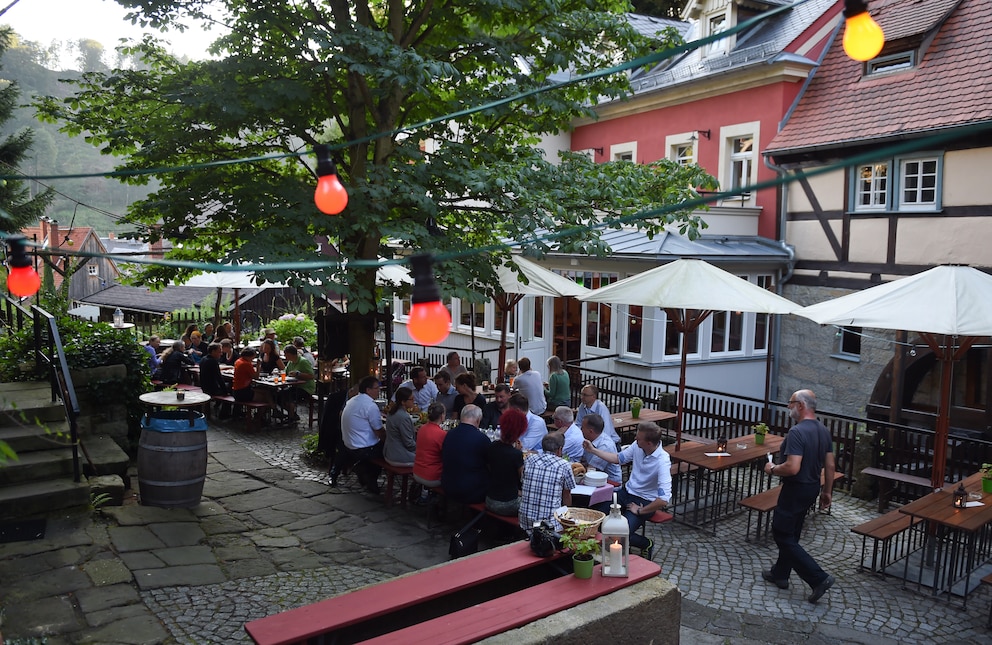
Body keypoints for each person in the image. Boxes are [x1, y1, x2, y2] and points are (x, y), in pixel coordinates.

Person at [762, 389, 836, 603]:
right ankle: (780, 574)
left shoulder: (797, 433)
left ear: (801, 405)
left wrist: (772, 469)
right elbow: (830, 465)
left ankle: (818, 578)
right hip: (812, 488)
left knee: (781, 534)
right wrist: (827, 491)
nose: (788, 407)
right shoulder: (823, 430)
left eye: (791, 403)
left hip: (795, 489)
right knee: (791, 533)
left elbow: (793, 467)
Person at [586, 422, 671, 560]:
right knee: (596, 518)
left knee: (619, 534)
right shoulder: (637, 446)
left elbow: (663, 499)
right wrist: (593, 450)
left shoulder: (663, 461)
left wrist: (640, 511)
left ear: (649, 443)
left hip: (644, 501)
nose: (635, 439)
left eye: (638, 438)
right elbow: (618, 459)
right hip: (626, 493)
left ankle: (646, 543)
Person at [519, 433, 576, 532]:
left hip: (525, 519)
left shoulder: (529, 459)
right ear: (560, 449)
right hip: (548, 524)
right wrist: (568, 520)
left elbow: (523, 481)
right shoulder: (564, 465)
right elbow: (566, 495)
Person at [341, 375, 386, 495]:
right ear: (368, 390)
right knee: (386, 450)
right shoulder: (370, 406)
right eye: (376, 388)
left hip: (348, 444)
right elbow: (379, 431)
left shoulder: (352, 401)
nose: (379, 391)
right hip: (362, 448)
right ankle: (371, 479)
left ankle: (364, 470)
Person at [441, 404, 488, 504]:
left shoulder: (449, 434)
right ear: (478, 420)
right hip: (471, 491)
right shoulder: (482, 439)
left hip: (447, 484)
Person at [485, 408, 526, 517]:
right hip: (509, 504)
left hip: (489, 499)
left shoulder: (492, 447)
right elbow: (522, 478)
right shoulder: (516, 454)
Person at [413, 402, 447, 491]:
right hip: (432, 476)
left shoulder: (421, 429)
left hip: (417, 471)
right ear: (442, 416)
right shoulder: (441, 434)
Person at [580, 413, 621, 484]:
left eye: (582, 427)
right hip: (596, 478)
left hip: (610, 484)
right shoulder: (590, 440)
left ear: (590, 431)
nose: (580, 430)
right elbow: (583, 461)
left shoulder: (605, 446)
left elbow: (591, 470)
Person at [281, 344, 315, 423]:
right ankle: (292, 414)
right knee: (280, 394)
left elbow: (311, 376)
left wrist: (298, 374)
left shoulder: (303, 361)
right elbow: (285, 373)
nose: (285, 357)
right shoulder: (290, 362)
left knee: (289, 394)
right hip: (295, 386)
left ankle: (291, 417)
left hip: (306, 388)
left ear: (290, 354)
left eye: (286, 355)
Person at [384, 386, 417, 467]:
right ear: (403, 402)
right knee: (430, 459)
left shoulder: (391, 412)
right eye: (411, 399)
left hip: (389, 452)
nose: (414, 401)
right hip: (399, 455)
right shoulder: (403, 417)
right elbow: (409, 444)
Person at [199, 342, 231, 418]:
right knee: (230, 389)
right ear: (213, 351)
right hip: (212, 389)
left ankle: (217, 405)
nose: (221, 354)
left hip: (204, 387)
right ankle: (224, 414)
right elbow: (219, 378)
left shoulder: (203, 359)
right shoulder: (213, 361)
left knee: (226, 387)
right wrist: (226, 392)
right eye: (219, 352)